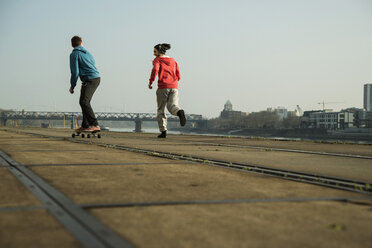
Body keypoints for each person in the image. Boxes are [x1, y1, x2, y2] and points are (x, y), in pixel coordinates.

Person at [148, 43, 186, 138]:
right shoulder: (173, 61)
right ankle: (179, 112)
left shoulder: (158, 60)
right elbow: (178, 74)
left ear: (159, 52)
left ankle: (163, 131)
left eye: (155, 51)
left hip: (163, 86)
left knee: (161, 110)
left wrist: (151, 82)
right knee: (172, 106)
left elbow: (155, 70)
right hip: (174, 86)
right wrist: (174, 81)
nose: (153, 54)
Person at [69, 36, 101, 132]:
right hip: (95, 78)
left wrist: (72, 86)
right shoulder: (88, 53)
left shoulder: (74, 54)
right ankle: (85, 125)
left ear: (72, 44)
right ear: (81, 42)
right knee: (83, 102)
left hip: (90, 79)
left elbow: (75, 72)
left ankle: (94, 124)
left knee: (84, 102)